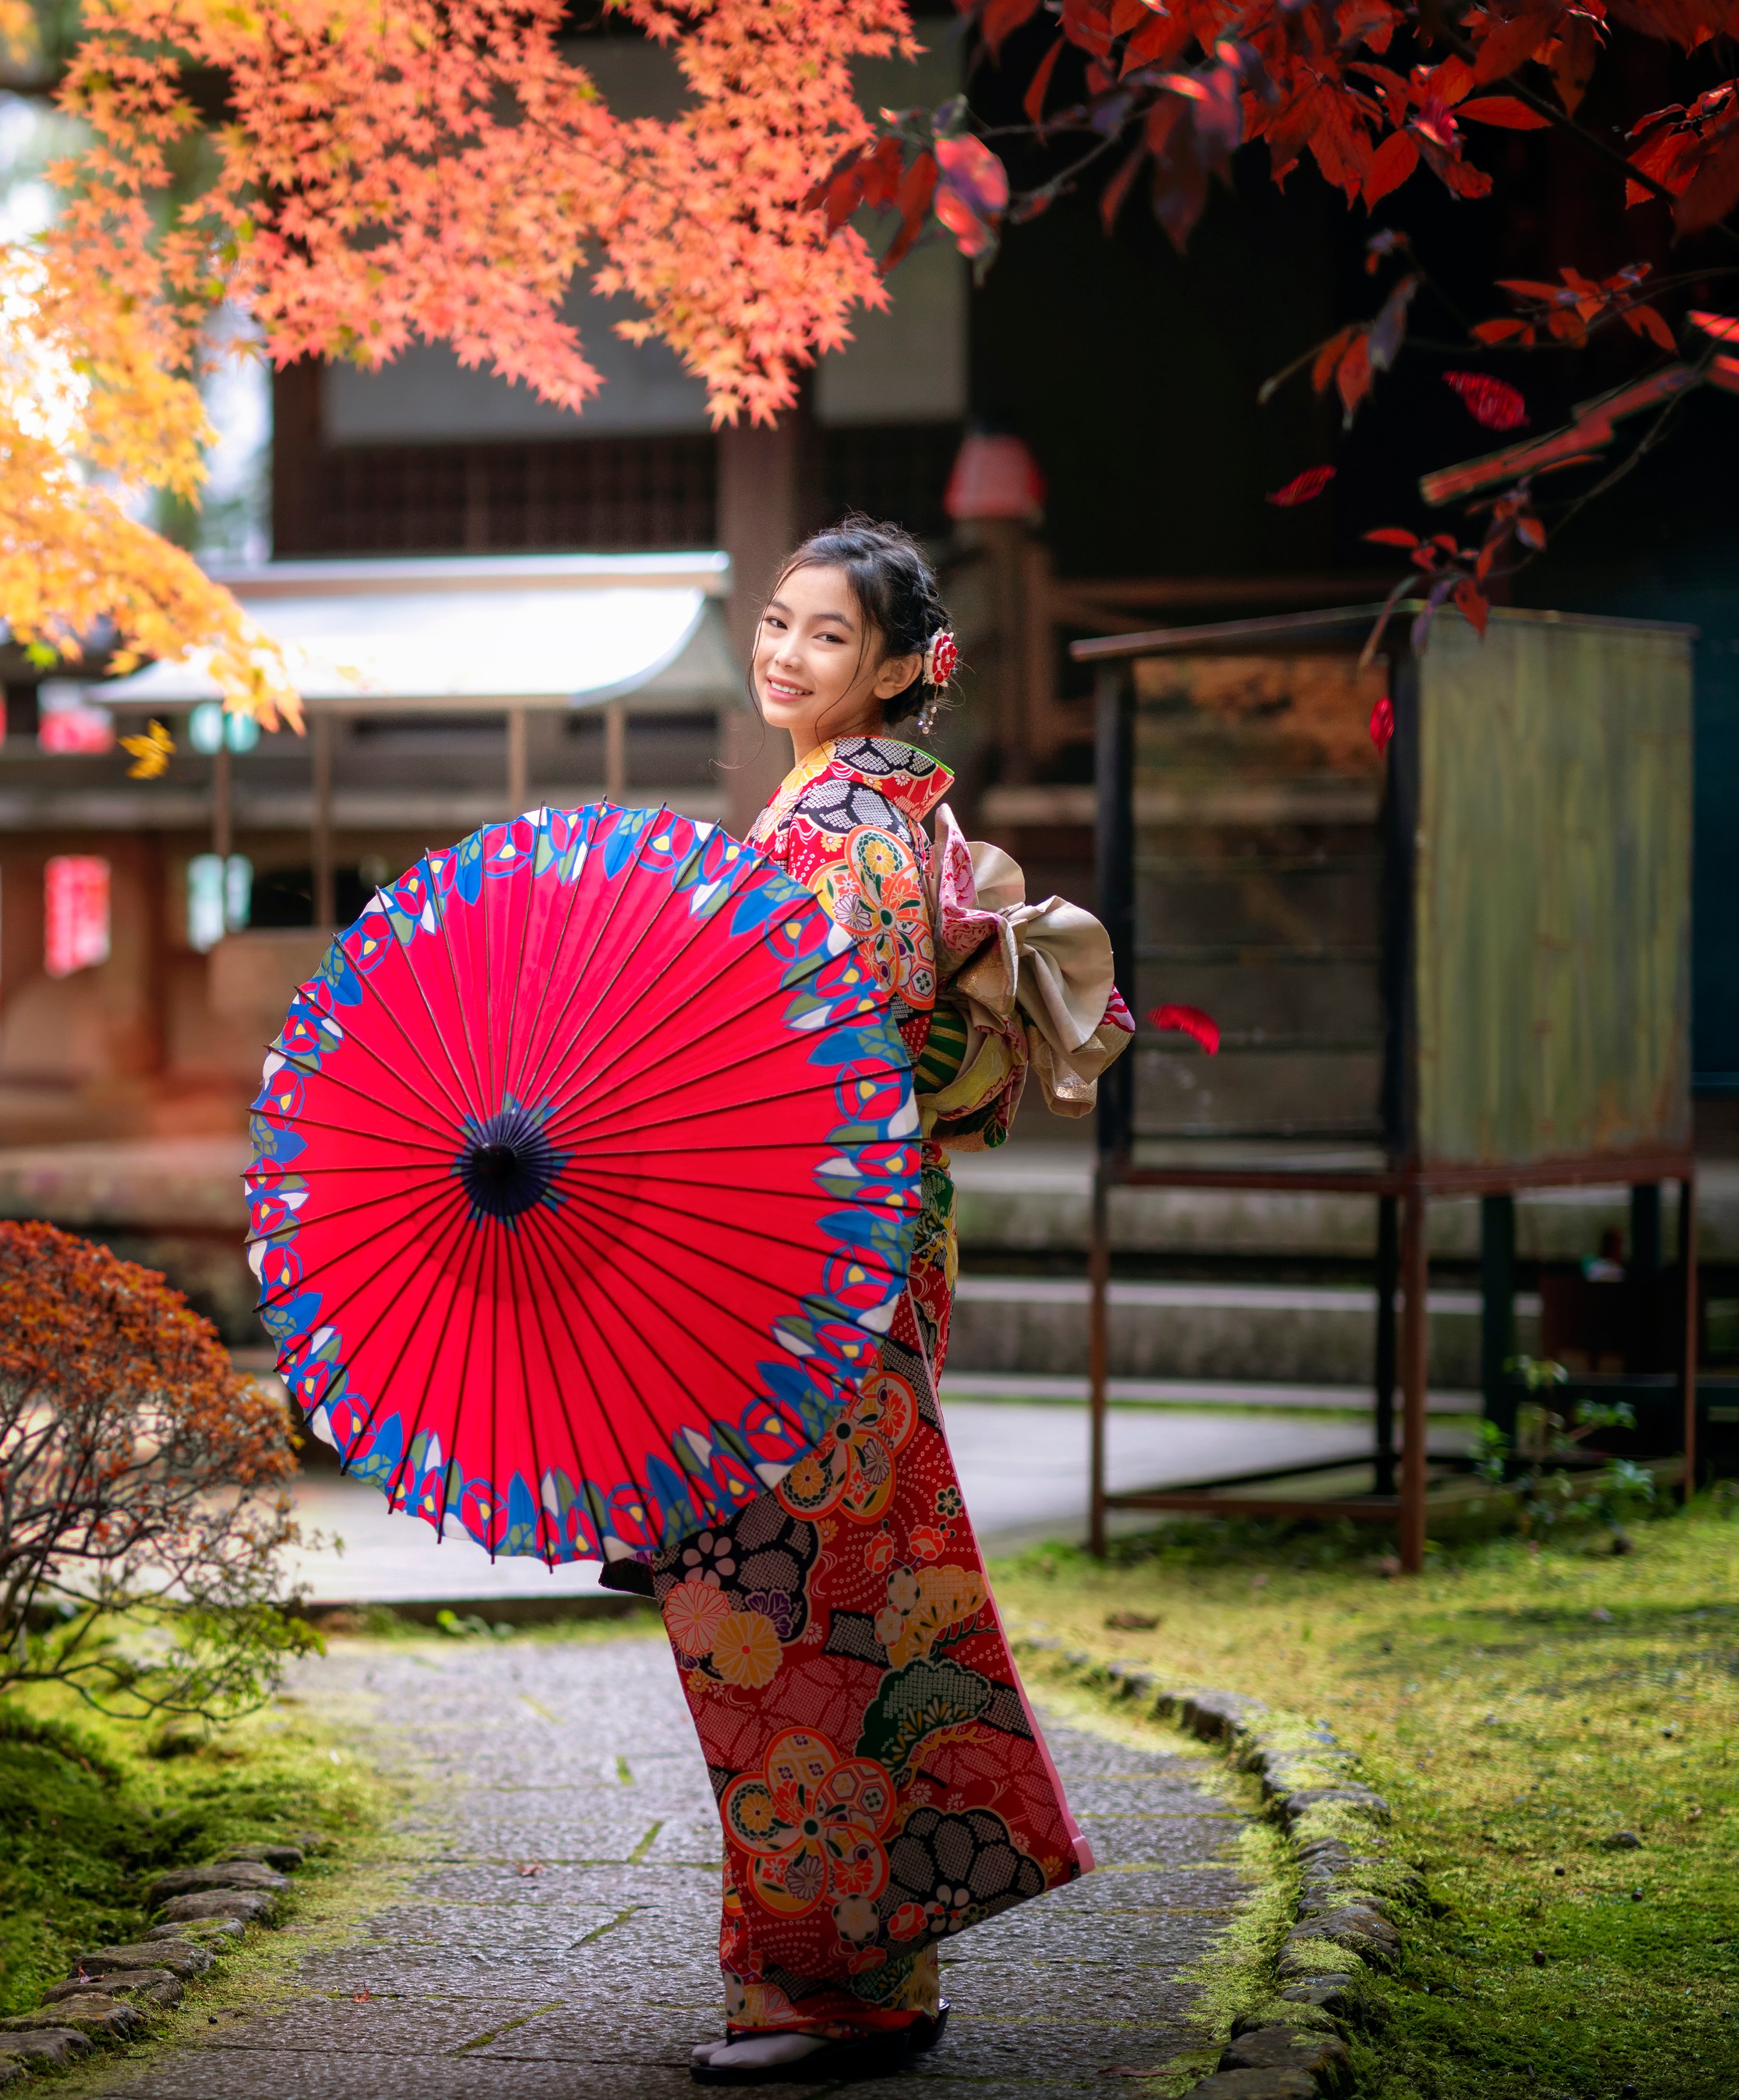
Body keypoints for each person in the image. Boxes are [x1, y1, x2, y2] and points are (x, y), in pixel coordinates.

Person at [661, 517, 1124, 2084]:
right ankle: (866, 1971)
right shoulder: (851, 805)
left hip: (814, 1269)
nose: (785, 653)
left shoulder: (841, 827)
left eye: (828, 638)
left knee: (794, 1622)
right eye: (777, 624)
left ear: (902, 668)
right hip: (838, 1254)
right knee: (824, 1603)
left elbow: (827, 1064)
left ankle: (839, 1997)